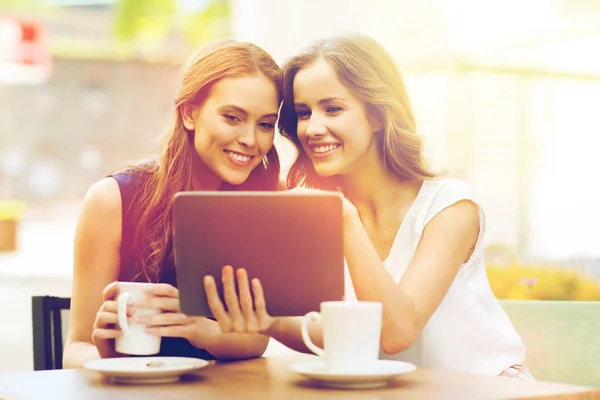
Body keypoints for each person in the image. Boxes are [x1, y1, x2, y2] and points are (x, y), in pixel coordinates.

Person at [203, 33, 532, 379]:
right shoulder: (317, 215)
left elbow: (396, 332)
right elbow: (341, 334)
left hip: (491, 391)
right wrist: (266, 321)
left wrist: (344, 219)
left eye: (333, 109)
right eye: (303, 113)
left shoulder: (450, 207)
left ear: (378, 115)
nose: (313, 128)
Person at [63, 38, 283, 368]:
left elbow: (256, 340)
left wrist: (199, 328)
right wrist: (107, 356)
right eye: (233, 118)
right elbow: (76, 350)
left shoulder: (267, 200)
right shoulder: (113, 201)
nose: (251, 140)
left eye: (265, 124)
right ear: (190, 113)